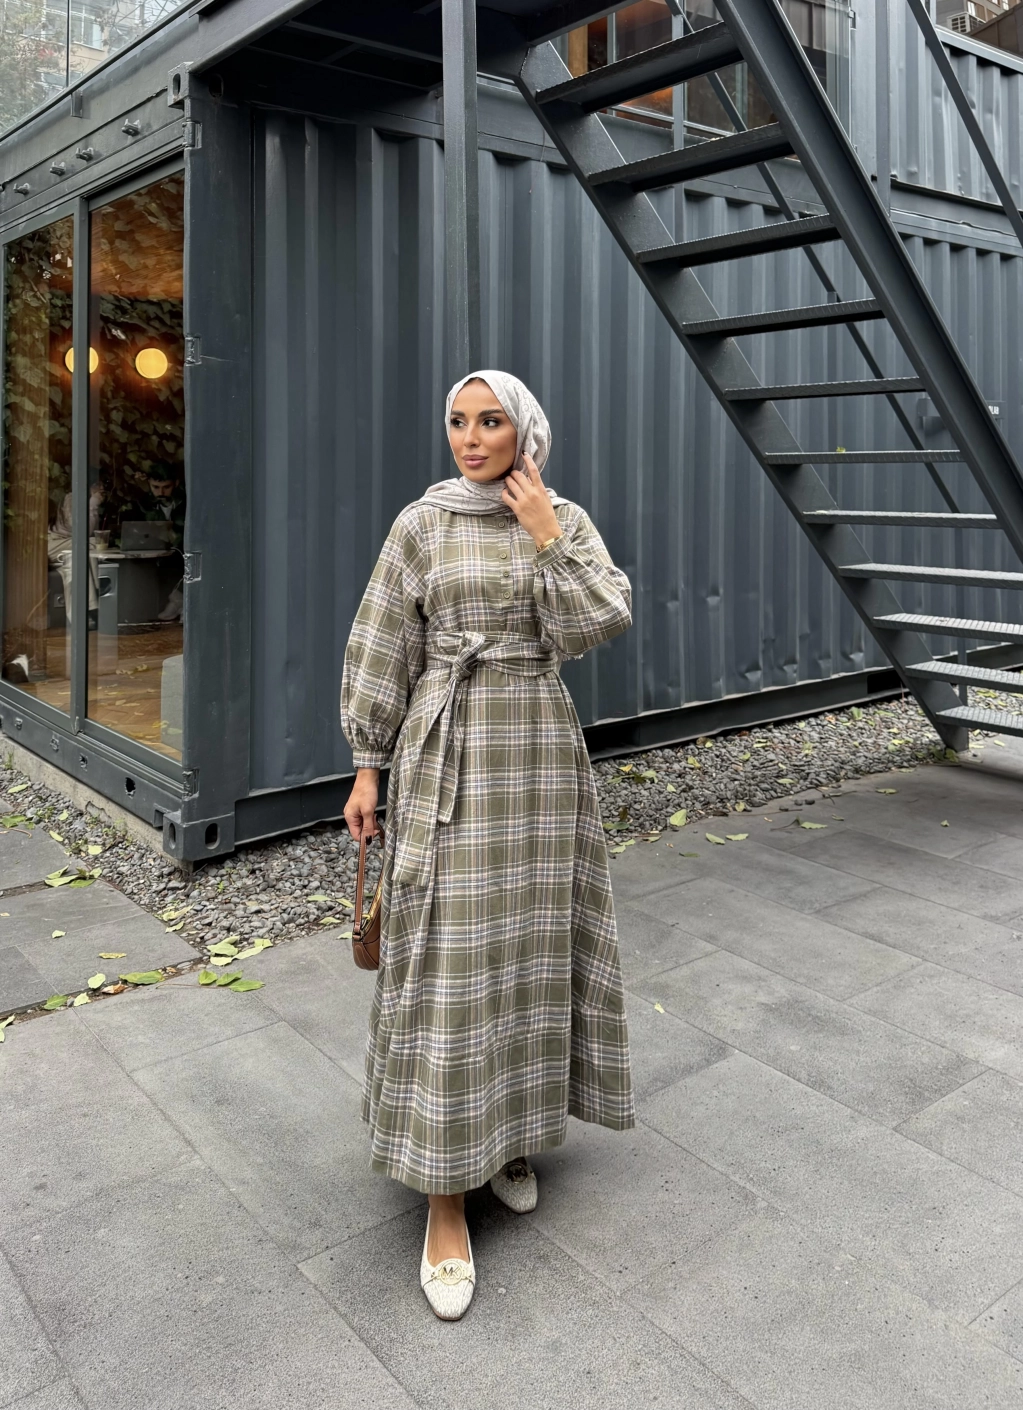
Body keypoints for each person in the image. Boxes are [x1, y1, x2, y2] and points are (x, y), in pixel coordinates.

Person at [340, 371, 635, 1321]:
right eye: (458, 421)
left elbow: (597, 622)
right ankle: (443, 1201)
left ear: (524, 431)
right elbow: (382, 642)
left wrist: (546, 532)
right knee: (450, 964)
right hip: (448, 753)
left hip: (538, 762)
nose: (470, 438)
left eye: (491, 421)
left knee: (525, 954)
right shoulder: (421, 525)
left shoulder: (561, 517)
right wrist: (368, 767)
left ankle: (506, 1134)